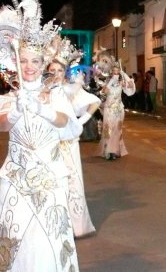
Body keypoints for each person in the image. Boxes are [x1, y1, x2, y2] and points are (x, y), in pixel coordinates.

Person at [0, 0, 82, 271]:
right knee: (15, 237)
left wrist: (43, 110)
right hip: (16, 181)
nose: (30, 66)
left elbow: (66, 123)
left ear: (43, 62)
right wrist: (20, 108)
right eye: (24, 60)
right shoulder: (11, 97)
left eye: (35, 61)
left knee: (48, 239)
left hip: (49, 181)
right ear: (15, 61)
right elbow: (2, 124)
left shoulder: (55, 93)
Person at [48, 42, 99, 238]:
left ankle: (74, 226)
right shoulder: (42, 91)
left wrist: (81, 121)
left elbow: (94, 102)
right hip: (48, 146)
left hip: (68, 146)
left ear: (65, 72)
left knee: (71, 184)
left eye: (60, 69)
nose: (56, 73)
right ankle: (54, 225)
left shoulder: (71, 90)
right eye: (52, 69)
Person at [99, 64, 136, 160]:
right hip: (109, 109)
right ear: (111, 72)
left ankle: (116, 150)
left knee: (117, 130)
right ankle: (108, 151)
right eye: (114, 71)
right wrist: (111, 81)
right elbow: (104, 92)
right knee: (109, 129)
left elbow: (131, 86)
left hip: (119, 109)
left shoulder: (121, 82)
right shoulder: (107, 81)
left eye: (117, 71)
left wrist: (124, 74)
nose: (116, 73)